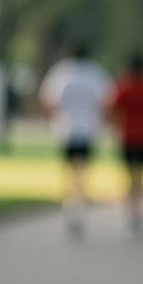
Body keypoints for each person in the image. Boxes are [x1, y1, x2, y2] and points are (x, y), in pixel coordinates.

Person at [39, 45, 111, 238]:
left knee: (69, 171)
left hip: (66, 130)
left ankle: (69, 205)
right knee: (82, 171)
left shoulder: (61, 73)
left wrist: (55, 117)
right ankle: (80, 206)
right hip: (87, 130)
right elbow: (105, 101)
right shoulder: (95, 73)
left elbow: (48, 99)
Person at [107, 53, 143, 236]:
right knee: (140, 175)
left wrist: (117, 126)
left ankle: (130, 209)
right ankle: (139, 209)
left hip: (127, 137)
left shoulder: (124, 87)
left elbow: (111, 109)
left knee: (129, 175)